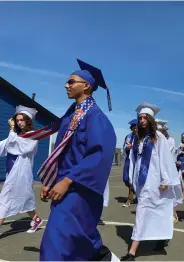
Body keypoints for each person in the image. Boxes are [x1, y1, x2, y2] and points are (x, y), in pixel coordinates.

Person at [22, 59, 117, 260]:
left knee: (56, 243)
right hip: (64, 186)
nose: (66, 85)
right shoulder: (70, 117)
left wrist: (66, 181)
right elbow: (61, 152)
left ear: (87, 86)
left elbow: (99, 155)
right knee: (73, 240)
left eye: (71, 81)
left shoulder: (95, 118)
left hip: (80, 189)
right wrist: (52, 181)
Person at [120, 101, 182, 261]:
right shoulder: (138, 138)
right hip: (142, 182)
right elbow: (135, 160)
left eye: (144, 118)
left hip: (155, 181)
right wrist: (133, 179)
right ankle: (162, 239)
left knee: (142, 213)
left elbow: (165, 160)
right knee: (156, 211)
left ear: (150, 119)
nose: (141, 120)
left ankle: (132, 252)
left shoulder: (158, 137)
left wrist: (166, 180)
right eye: (139, 118)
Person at [0, 105, 42, 233]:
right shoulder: (18, 135)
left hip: (21, 174)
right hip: (12, 172)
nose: (19, 123)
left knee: (4, 201)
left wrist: (12, 129)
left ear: (28, 120)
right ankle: (36, 219)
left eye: (22, 120)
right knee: (24, 198)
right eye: (17, 120)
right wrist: (12, 132)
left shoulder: (32, 136)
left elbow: (15, 145)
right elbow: (6, 145)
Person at [122, 119, 138, 207]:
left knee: (133, 179)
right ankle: (135, 191)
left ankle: (130, 199)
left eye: (136, 127)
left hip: (136, 160)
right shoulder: (128, 136)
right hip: (129, 159)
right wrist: (127, 148)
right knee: (126, 178)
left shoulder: (140, 137)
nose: (135, 129)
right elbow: (124, 147)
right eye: (133, 128)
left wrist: (133, 147)